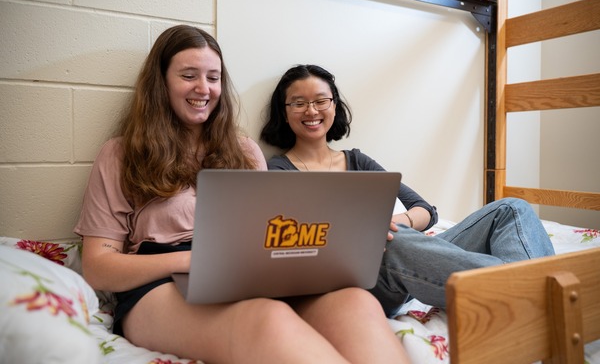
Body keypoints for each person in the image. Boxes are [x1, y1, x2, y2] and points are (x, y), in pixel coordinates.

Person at [73, 26, 408, 363]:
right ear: (160, 83)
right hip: (160, 281)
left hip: (246, 273)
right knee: (265, 319)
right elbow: (99, 267)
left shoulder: (244, 150)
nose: (203, 88)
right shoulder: (120, 154)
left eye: (213, 77)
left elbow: (269, 233)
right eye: (189, 75)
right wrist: (193, 260)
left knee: (356, 301)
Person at [260, 64, 556, 317]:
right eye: (298, 103)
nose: (311, 110)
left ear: (334, 106)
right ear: (285, 113)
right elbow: (293, 245)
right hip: (362, 282)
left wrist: (393, 224)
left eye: (320, 100)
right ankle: (540, 293)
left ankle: (528, 285)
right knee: (396, 245)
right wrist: (363, 237)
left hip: (408, 260)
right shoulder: (280, 171)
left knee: (510, 209)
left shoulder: (357, 161)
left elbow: (426, 211)